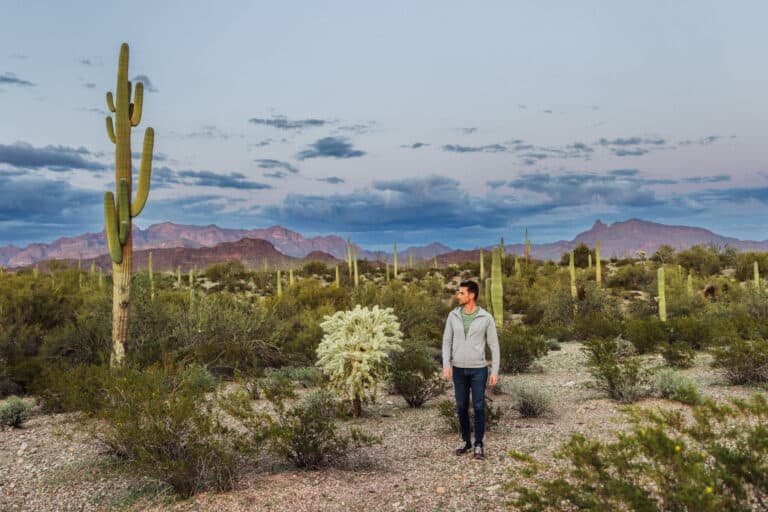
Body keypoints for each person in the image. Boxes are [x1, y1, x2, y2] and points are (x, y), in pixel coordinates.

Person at [442, 280, 500, 460]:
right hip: (458, 370)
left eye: (461, 293)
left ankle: (479, 444)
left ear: (471, 295)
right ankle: (466, 441)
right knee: (460, 407)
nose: (458, 296)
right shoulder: (453, 316)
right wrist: (446, 364)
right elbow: (447, 342)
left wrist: (495, 370)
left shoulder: (486, 317)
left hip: (478, 370)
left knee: (479, 406)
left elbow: (494, 345)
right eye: (458, 293)